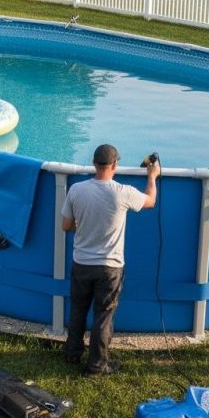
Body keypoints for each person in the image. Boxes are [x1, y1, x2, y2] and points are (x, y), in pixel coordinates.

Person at [61, 144, 160, 375]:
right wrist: (152, 177)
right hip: (110, 267)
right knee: (103, 316)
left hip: (81, 263)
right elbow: (150, 201)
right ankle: (96, 366)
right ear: (114, 165)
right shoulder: (123, 192)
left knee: (77, 309)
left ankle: (72, 354)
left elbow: (66, 225)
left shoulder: (76, 190)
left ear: (94, 164)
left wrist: (86, 226)